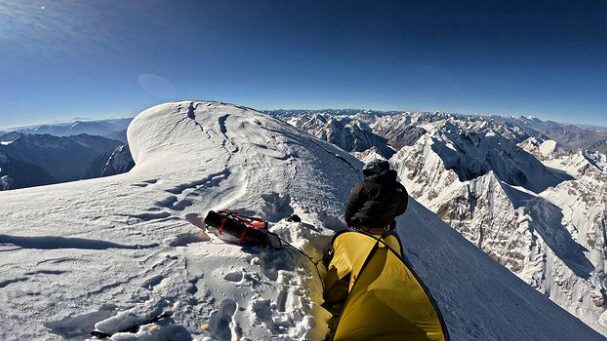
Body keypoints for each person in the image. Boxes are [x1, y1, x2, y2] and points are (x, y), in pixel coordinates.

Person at [344, 159, 408, 234]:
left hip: (361, 228)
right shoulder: (399, 188)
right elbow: (401, 210)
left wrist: (348, 222)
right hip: (385, 230)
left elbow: (351, 206)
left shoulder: (362, 186)